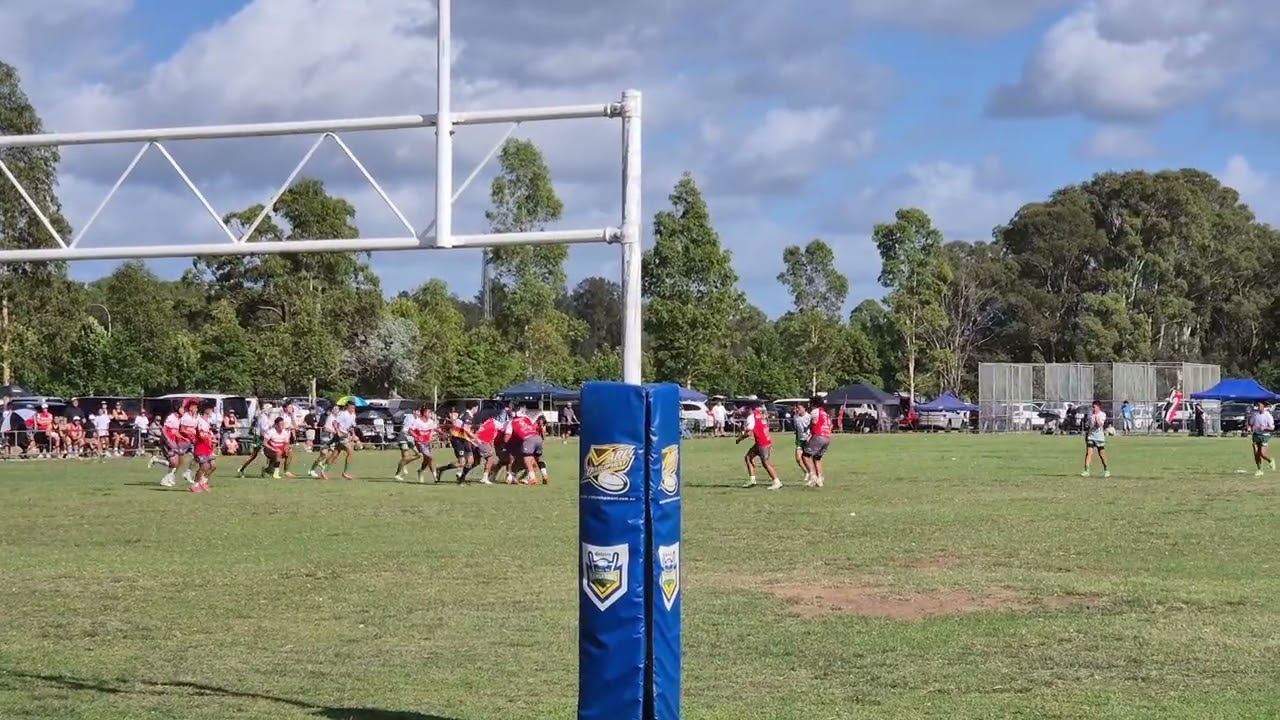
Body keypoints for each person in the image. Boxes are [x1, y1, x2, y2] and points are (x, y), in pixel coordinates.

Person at [738, 401, 781, 490]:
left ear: (749, 409)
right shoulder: (760, 414)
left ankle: (777, 482)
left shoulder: (751, 416)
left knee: (765, 463)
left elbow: (749, 433)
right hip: (764, 440)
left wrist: (740, 438)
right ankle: (752, 480)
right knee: (748, 457)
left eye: (746, 408)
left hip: (762, 442)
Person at [803, 397, 832, 488]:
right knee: (817, 457)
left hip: (819, 435)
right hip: (827, 436)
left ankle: (813, 476)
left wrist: (809, 432)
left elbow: (812, 423)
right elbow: (830, 425)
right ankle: (820, 478)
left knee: (805, 455)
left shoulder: (815, 411)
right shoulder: (826, 413)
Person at [1080, 400, 1111, 478]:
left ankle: (1106, 470)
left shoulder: (1102, 414)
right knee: (1089, 453)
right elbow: (1088, 425)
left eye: (1094, 407)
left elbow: (1100, 424)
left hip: (1099, 437)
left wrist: (1097, 417)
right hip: (1091, 436)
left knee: (1101, 454)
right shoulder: (1091, 415)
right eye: (1092, 407)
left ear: (1098, 407)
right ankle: (1086, 471)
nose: (1093, 408)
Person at [191, 406, 217, 492]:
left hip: (208, 447)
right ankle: (195, 484)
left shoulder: (207, 421)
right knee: (204, 466)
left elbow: (208, 432)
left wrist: (213, 437)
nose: (211, 410)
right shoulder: (200, 421)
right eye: (210, 408)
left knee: (213, 466)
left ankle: (203, 482)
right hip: (200, 447)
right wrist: (210, 436)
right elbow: (201, 435)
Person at [1248, 400, 1275, 476]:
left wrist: (1265, 427)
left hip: (1264, 435)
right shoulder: (1255, 414)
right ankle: (1260, 470)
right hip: (1256, 435)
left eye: (1259, 405)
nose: (1257, 407)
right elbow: (1250, 423)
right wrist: (1249, 427)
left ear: (1263, 406)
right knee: (1256, 453)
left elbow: (1272, 428)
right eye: (1257, 405)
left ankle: (1270, 460)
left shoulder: (1268, 415)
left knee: (1262, 453)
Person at [789, 401, 810, 478]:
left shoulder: (809, 417)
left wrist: (810, 437)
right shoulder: (795, 417)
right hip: (800, 441)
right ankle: (807, 472)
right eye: (797, 408)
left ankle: (813, 473)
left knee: (807, 458)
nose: (798, 409)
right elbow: (797, 429)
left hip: (808, 440)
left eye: (799, 408)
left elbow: (812, 427)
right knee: (798, 458)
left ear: (804, 408)